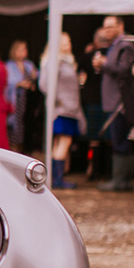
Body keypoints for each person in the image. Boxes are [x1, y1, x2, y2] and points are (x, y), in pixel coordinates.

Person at [95, 16, 134, 191]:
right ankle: (123, 181)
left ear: (120, 26)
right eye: (105, 27)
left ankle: (120, 181)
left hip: (120, 102)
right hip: (113, 101)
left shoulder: (125, 46)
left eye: (110, 27)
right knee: (119, 140)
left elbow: (124, 71)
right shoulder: (114, 47)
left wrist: (105, 63)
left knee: (120, 140)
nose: (107, 30)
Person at [44, 31, 82, 188]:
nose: (68, 45)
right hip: (63, 109)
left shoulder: (67, 62)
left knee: (60, 143)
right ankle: (57, 180)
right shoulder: (55, 62)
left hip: (70, 108)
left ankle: (55, 178)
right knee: (64, 142)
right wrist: (57, 100)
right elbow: (44, 84)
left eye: (69, 42)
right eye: (64, 42)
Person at [78, 21, 114, 181]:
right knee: (109, 139)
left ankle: (92, 171)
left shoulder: (86, 58)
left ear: (95, 41)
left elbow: (79, 73)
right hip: (110, 101)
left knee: (94, 140)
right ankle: (109, 172)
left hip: (92, 101)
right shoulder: (113, 56)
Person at [5, 39, 37, 151]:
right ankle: (13, 148)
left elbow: (36, 77)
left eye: (24, 49)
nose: (23, 51)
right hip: (16, 100)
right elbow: (8, 82)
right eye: (20, 49)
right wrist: (19, 83)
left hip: (27, 100)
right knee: (15, 126)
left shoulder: (28, 65)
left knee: (25, 125)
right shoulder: (9, 65)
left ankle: (23, 148)